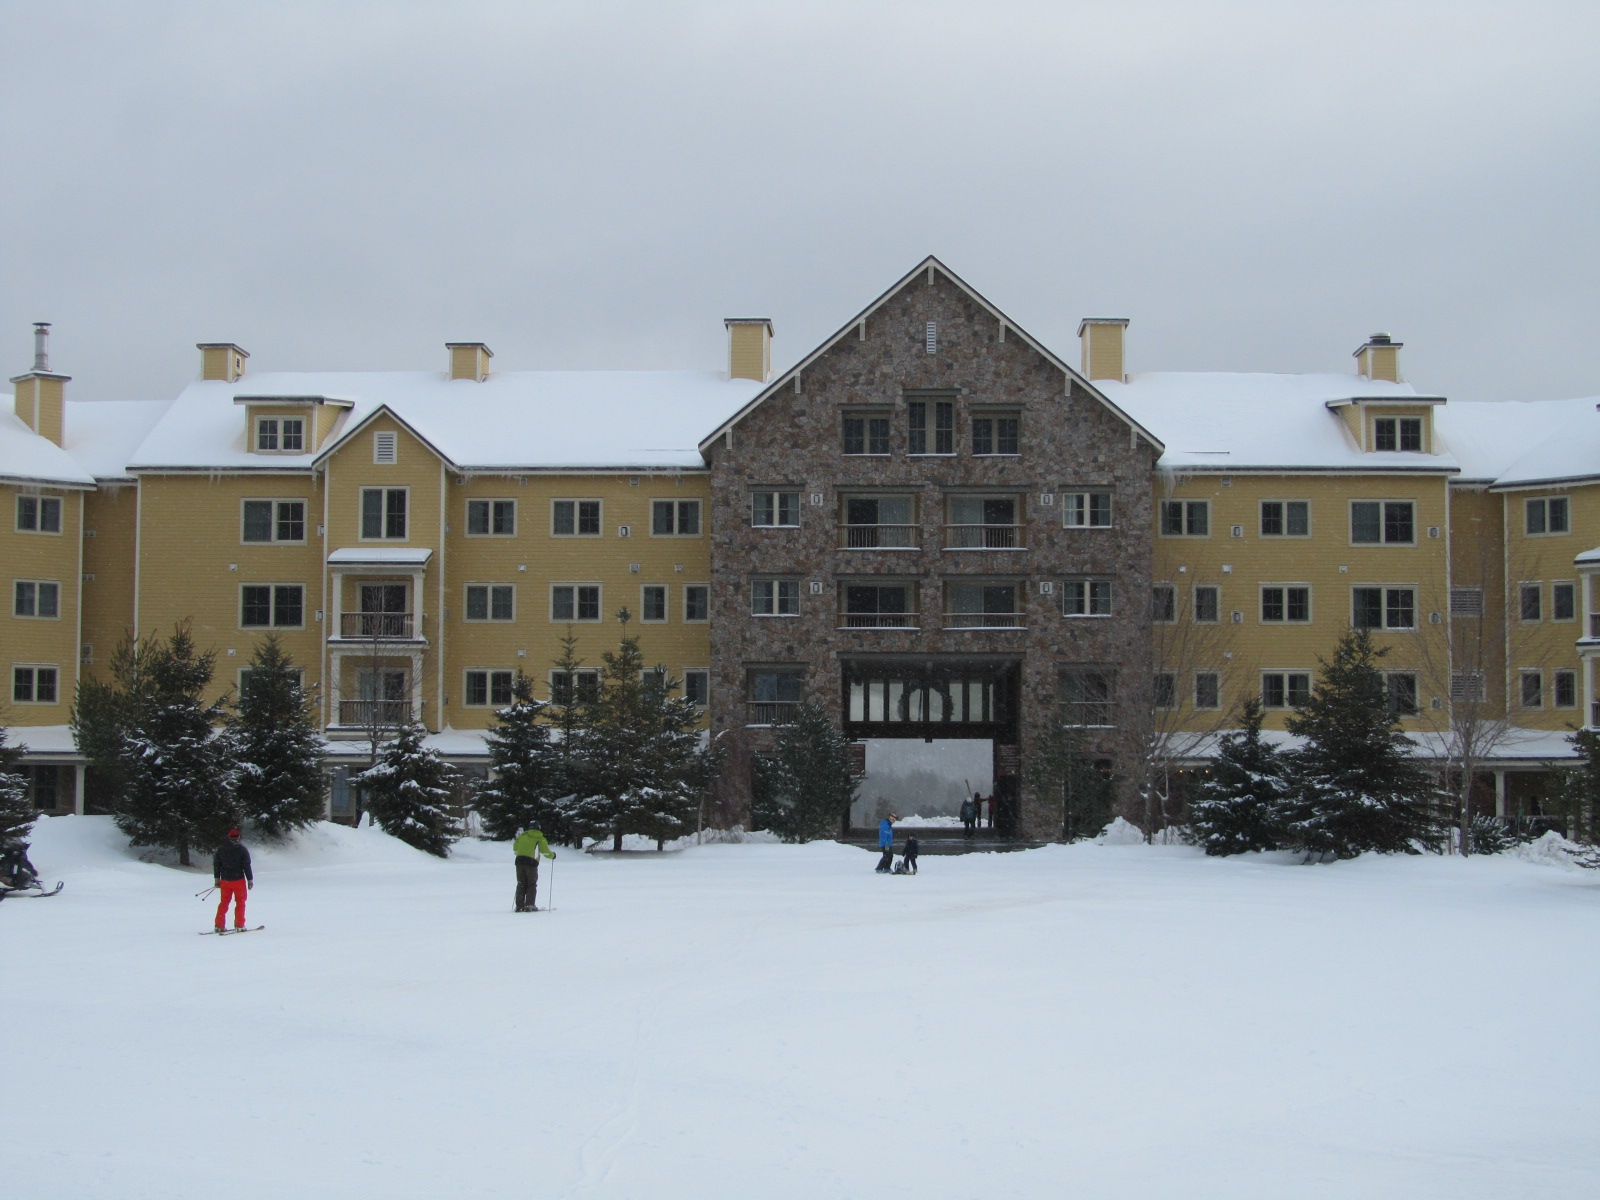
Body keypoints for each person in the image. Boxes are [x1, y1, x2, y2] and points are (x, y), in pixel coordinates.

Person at [212, 828, 253, 932]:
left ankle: (219, 925)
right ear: (238, 837)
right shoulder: (242, 849)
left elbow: (217, 865)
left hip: (225, 880)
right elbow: (246, 865)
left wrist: (217, 879)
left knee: (224, 902)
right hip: (238, 880)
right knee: (240, 902)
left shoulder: (221, 849)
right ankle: (239, 925)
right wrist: (250, 879)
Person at [512, 826, 556, 912]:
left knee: (521, 883)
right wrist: (552, 855)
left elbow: (515, 849)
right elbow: (545, 851)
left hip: (519, 861)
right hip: (531, 863)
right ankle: (529, 905)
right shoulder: (540, 838)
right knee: (531, 884)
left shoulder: (522, 836)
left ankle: (519, 906)